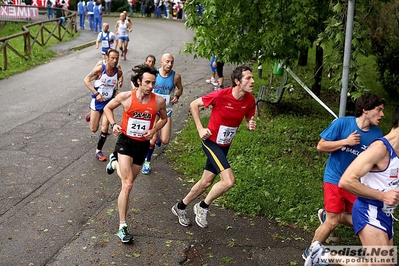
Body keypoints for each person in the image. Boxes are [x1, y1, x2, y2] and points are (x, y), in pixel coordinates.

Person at [306, 106, 399, 266]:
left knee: (382, 263)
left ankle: (324, 256)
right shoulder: (380, 148)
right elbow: (347, 180)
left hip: (386, 214)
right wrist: (382, 196)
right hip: (370, 211)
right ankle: (323, 254)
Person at [171, 65, 257, 228]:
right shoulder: (220, 95)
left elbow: (249, 118)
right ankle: (202, 206)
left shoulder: (250, 100)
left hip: (225, 145)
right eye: (248, 78)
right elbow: (194, 104)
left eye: (252, 78)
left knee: (206, 182)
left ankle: (180, 207)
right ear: (237, 81)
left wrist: (250, 124)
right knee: (229, 180)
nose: (252, 81)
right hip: (211, 142)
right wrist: (200, 129)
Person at [103, 64, 167, 243]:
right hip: (125, 142)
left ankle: (113, 163)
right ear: (138, 82)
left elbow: (164, 119)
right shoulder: (125, 97)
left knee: (128, 180)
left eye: (153, 83)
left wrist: (154, 129)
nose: (150, 86)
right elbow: (108, 108)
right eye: (147, 82)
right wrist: (114, 124)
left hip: (142, 146)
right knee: (128, 184)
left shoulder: (159, 101)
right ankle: (122, 226)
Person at [141, 53, 183, 175]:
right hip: (153, 111)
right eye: (167, 61)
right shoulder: (154, 74)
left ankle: (158, 136)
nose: (170, 64)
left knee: (164, 140)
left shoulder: (176, 76)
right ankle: (147, 162)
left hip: (166, 111)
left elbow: (180, 88)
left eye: (172, 62)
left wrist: (176, 95)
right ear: (161, 62)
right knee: (153, 137)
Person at [83, 48, 123, 162]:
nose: (115, 61)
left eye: (116, 58)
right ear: (107, 58)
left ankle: (98, 151)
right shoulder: (100, 69)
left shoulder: (118, 72)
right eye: (112, 58)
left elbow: (119, 78)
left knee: (105, 127)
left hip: (108, 103)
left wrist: (116, 91)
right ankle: (91, 113)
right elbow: (86, 80)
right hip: (97, 102)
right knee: (94, 129)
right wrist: (96, 93)